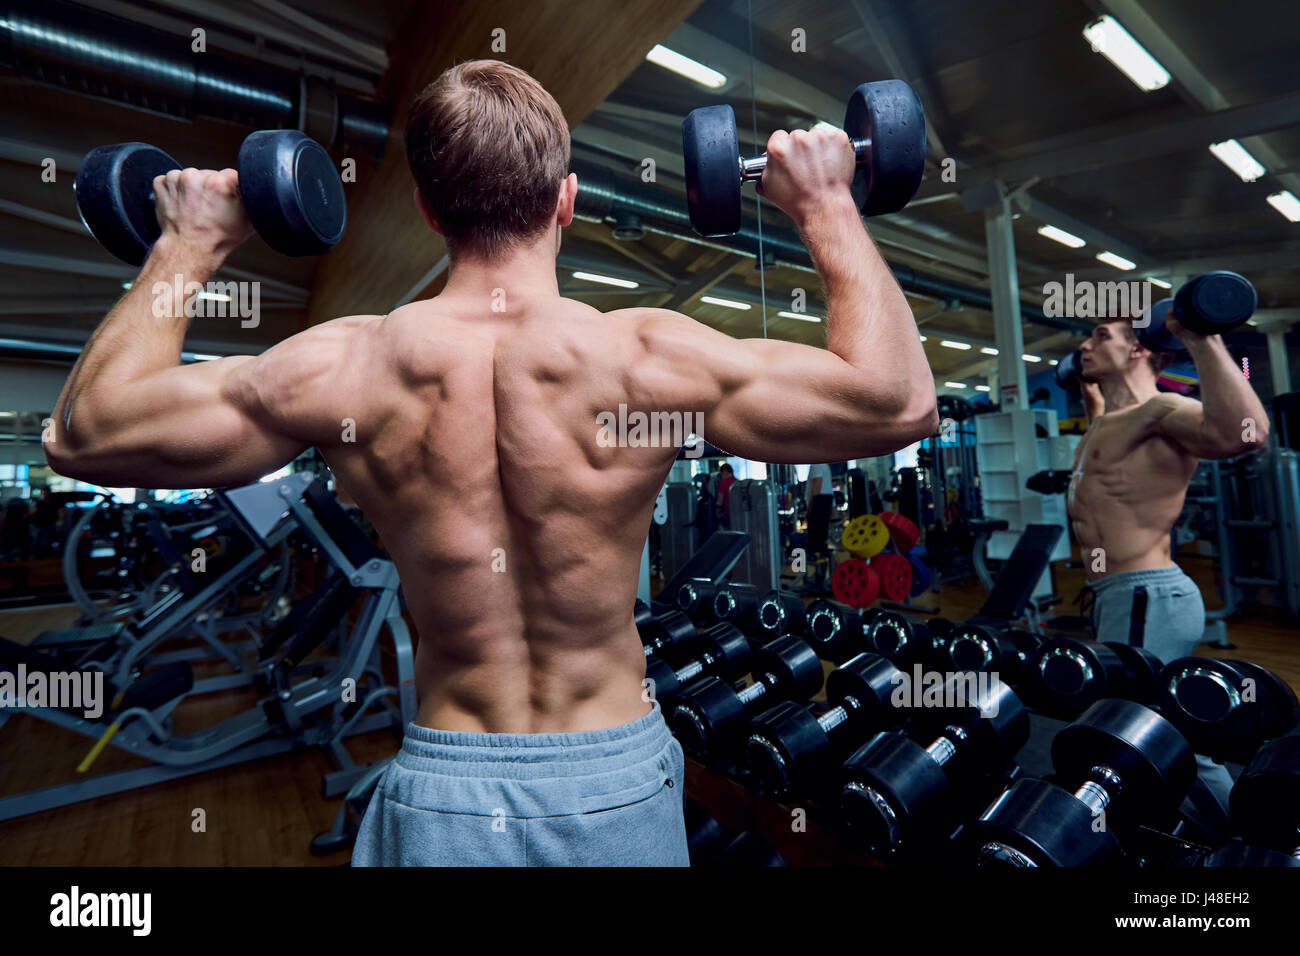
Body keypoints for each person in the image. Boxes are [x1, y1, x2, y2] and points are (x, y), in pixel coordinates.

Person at [44, 59, 936, 865]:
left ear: (430, 211)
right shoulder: (649, 360)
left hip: (450, 794)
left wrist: (187, 246)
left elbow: (82, 435)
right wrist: (825, 204)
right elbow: (899, 402)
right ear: (566, 201)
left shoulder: (341, 367)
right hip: (613, 783)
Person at [1069, 313, 1269, 809]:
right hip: (1115, 594)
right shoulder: (1103, 422)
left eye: (1100, 336)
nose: (1083, 346)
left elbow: (1246, 434)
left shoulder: (1160, 410)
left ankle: (1249, 842)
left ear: (1139, 351)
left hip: (1145, 593)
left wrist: (1199, 335)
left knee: (1148, 734)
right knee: (1146, 727)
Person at [715, 462, 736, 528]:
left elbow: (719, 502)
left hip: (727, 514)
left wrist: (716, 513)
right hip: (737, 512)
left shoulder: (723, 483)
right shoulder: (737, 482)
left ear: (724, 472)